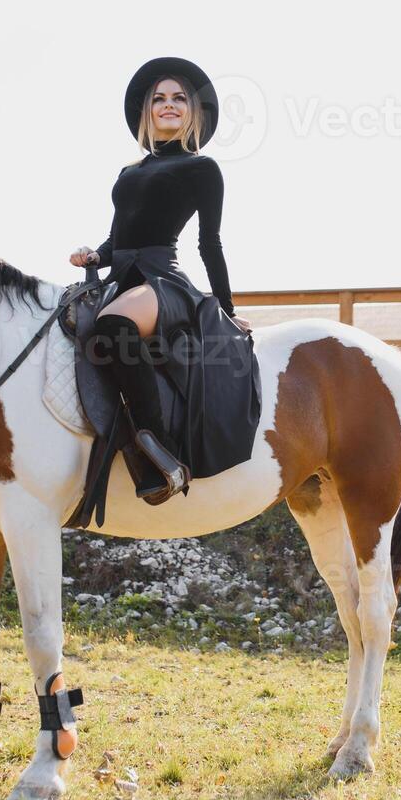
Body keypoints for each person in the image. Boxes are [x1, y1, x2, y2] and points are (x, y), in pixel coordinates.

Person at [69, 56, 258, 506]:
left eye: (178, 98)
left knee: (113, 325)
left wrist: (227, 311)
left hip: (162, 281)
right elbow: (118, 237)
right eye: (159, 99)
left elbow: (209, 243)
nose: (167, 105)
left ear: (192, 111)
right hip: (121, 275)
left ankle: (157, 449)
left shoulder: (202, 167)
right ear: (147, 111)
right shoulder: (129, 173)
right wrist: (95, 254)